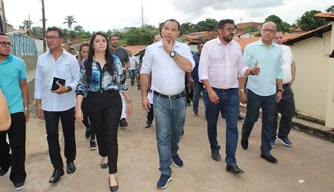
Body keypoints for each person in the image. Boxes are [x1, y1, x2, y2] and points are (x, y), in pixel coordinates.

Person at [199, 19, 260, 174]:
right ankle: (214, 148)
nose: (232, 32)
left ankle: (231, 161)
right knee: (212, 123)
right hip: (213, 91)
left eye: (233, 29)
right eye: (229, 29)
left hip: (232, 92)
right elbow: (203, 71)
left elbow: (241, 68)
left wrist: (251, 71)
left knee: (232, 126)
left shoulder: (236, 47)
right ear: (220, 30)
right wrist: (210, 90)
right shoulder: (209, 46)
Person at [140, 19, 195, 189]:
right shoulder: (151, 49)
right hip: (159, 99)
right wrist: (143, 96)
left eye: (173, 29)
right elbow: (144, 73)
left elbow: (189, 67)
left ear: (178, 33)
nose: (169, 32)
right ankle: (165, 170)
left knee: (176, 132)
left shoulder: (184, 48)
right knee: (163, 135)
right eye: (166, 29)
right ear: (161, 30)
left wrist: (171, 52)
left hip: (179, 99)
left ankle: (174, 152)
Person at [76, 32, 132, 192]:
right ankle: (104, 154)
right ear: (92, 45)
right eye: (97, 41)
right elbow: (81, 86)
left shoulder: (114, 61)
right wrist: (78, 107)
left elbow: (122, 82)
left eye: (103, 41)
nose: (101, 43)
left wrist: (129, 101)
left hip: (113, 101)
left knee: (111, 136)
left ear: (106, 44)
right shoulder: (86, 63)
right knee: (99, 134)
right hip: (93, 102)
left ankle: (112, 174)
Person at [35, 27, 80, 183]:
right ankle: (57, 167)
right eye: (47, 37)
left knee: (69, 133)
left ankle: (70, 160)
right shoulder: (42, 59)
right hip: (49, 104)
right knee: (51, 135)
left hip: (67, 102)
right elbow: (39, 82)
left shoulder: (71, 59)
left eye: (53, 37)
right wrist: (38, 103)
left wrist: (67, 88)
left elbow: (77, 79)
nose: (49, 40)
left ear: (61, 40)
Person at [240, 22, 283, 164]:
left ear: (275, 33)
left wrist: (280, 89)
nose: (268, 33)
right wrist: (242, 90)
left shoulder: (278, 49)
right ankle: (245, 136)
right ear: (262, 31)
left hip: (270, 92)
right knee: (251, 118)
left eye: (271, 31)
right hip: (254, 90)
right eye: (266, 30)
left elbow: (279, 70)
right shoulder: (251, 48)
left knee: (268, 122)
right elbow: (242, 70)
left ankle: (265, 151)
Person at [0, 33, 29, 191]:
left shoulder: (18, 63)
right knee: (1, 145)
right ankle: (5, 162)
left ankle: (18, 176)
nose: (7, 45)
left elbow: (24, 86)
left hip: (16, 109)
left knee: (18, 144)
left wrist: (25, 108)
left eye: (9, 43)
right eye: (3, 43)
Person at [271, 31, 296, 147]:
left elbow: (292, 63)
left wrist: (292, 77)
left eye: (281, 37)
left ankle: (283, 135)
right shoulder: (268, 51)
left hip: (286, 87)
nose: (279, 40)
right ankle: (271, 137)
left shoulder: (287, 49)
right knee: (272, 114)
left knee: (289, 111)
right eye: (276, 38)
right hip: (273, 87)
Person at [77, 41, 97, 150]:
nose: (85, 54)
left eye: (87, 52)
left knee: (93, 117)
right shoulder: (76, 63)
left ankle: (93, 139)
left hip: (91, 94)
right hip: (80, 94)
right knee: (83, 116)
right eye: (83, 52)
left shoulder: (93, 63)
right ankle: (88, 127)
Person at [109, 34, 130, 128]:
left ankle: (122, 118)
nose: (115, 41)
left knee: (122, 96)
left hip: (121, 78)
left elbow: (127, 61)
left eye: (116, 39)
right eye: (113, 39)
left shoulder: (123, 51)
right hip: (109, 79)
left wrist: (126, 67)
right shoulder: (106, 51)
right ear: (110, 41)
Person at [189, 42, 207, 117]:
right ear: (198, 48)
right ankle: (195, 110)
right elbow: (190, 68)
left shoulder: (207, 57)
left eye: (203, 47)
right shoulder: (194, 57)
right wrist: (191, 78)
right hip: (197, 81)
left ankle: (207, 112)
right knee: (196, 96)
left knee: (206, 97)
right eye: (201, 47)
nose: (202, 48)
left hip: (205, 81)